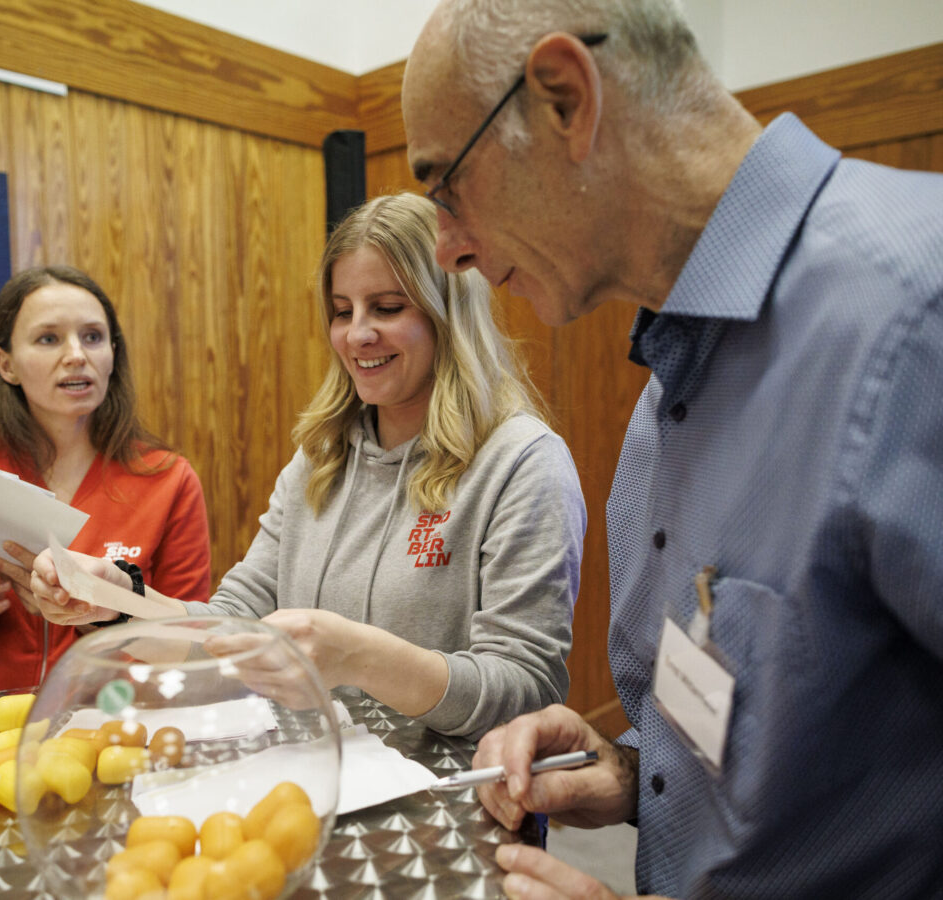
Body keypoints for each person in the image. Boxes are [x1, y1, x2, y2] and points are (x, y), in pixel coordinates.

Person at [401, 0, 943, 897]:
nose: (450, 250)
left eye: (446, 187)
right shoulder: (664, 405)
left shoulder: (914, 312)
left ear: (566, 100)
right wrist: (631, 773)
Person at [31, 193, 587, 741]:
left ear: (449, 314)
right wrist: (115, 602)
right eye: (343, 312)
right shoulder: (320, 457)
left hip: (457, 805)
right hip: (324, 784)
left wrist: (360, 657)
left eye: (388, 308)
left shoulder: (522, 463)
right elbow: (230, 625)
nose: (357, 334)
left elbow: (526, 692)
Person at [0, 265, 213, 699]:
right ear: (6, 364)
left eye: (92, 337)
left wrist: (96, 611)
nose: (76, 355)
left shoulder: (166, 479)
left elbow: (188, 645)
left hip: (114, 735)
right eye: (48, 339)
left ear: (112, 354)